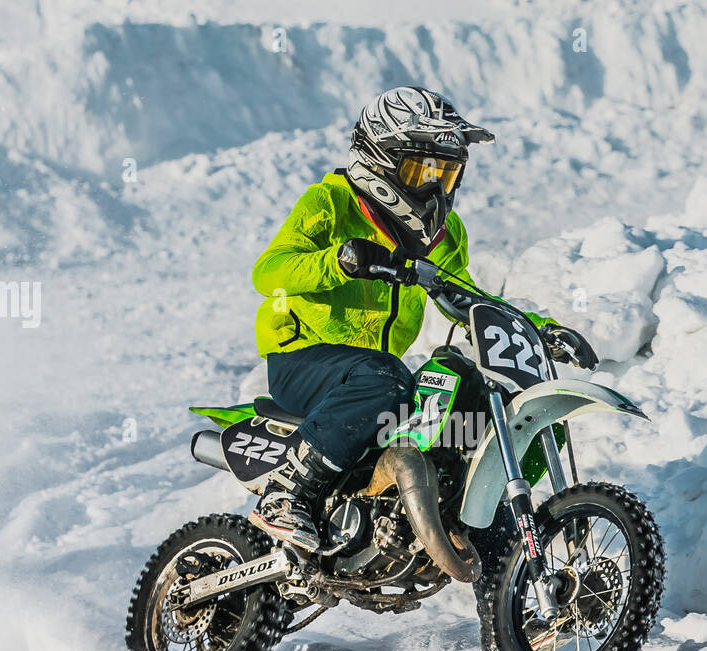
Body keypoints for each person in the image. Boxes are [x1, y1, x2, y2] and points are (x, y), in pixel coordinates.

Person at [248, 86, 594, 550]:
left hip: (369, 373)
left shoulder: (442, 235)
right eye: (423, 169)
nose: (434, 186)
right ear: (380, 161)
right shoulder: (329, 203)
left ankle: (482, 539)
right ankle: (285, 495)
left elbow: (467, 295)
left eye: (446, 175)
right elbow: (267, 272)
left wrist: (536, 329)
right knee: (387, 379)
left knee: (462, 382)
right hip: (303, 358)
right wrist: (341, 259)